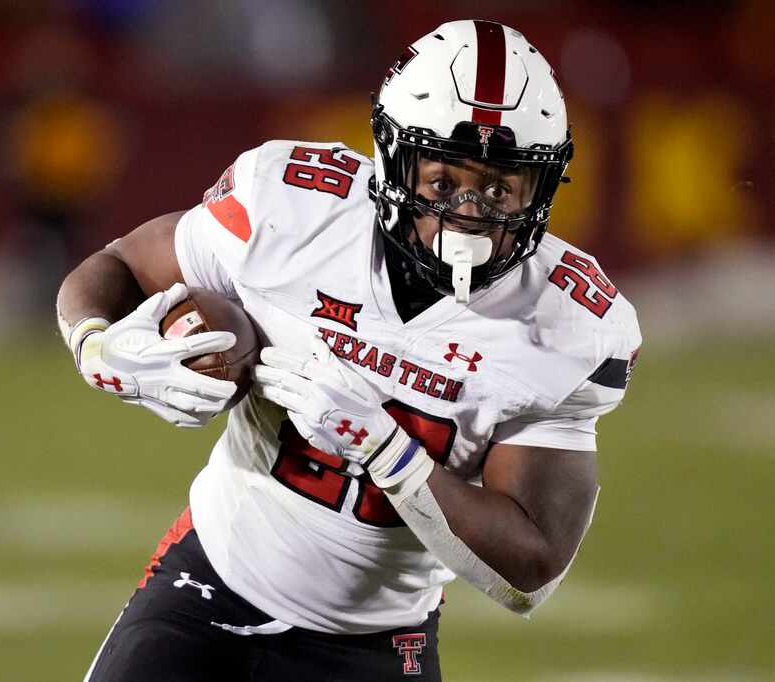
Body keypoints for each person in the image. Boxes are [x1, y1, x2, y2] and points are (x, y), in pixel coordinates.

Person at [57, 19, 641, 682]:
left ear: (543, 185)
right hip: (208, 585)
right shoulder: (296, 211)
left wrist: (391, 453)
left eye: (502, 187)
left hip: (376, 644)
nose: (472, 213)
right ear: (394, 160)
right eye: (445, 181)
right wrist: (102, 347)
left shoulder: (565, 323)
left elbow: (527, 571)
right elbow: (124, 263)